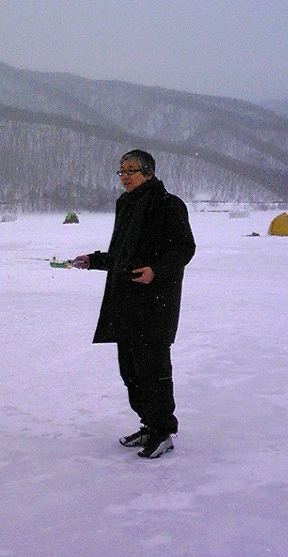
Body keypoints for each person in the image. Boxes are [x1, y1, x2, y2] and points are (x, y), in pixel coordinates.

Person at [73, 150, 196, 458]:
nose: (125, 176)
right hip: (125, 301)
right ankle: (149, 425)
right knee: (131, 372)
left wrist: (156, 270)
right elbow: (121, 256)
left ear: (148, 173)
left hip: (154, 304)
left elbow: (184, 249)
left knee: (153, 370)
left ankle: (163, 432)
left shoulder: (168, 205)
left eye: (132, 170)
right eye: (122, 171)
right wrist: (94, 260)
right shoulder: (126, 204)